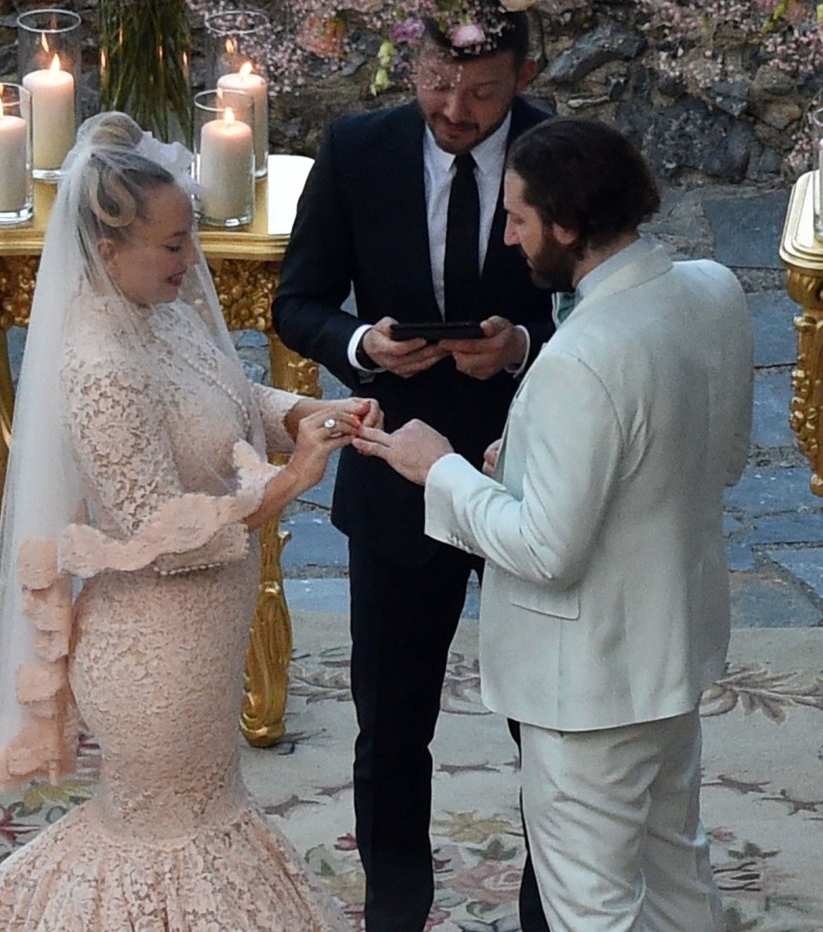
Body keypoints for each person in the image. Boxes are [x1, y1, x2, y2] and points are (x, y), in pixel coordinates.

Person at [0, 111, 380, 931]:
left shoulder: (162, 314)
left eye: (190, 239)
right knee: (169, 846)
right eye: (173, 245)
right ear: (108, 252)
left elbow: (229, 401)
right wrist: (293, 481)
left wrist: (305, 414)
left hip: (201, 640)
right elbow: (159, 538)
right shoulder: (102, 368)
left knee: (198, 833)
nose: (192, 261)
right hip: (153, 656)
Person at [353, 116, 754, 931]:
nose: (507, 238)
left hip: (586, 687)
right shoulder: (714, 288)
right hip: (670, 650)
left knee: (590, 909)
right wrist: (534, 458)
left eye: (520, 219)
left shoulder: (580, 356)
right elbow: (717, 456)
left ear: (567, 226)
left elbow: (545, 549)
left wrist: (443, 469)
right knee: (678, 878)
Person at [272, 4, 555, 929]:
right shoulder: (357, 148)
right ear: (412, 64)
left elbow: (599, 306)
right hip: (395, 471)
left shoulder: (562, 151)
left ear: (522, 76)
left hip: (532, 473)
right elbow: (298, 301)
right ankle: (395, 906)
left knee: (547, 727)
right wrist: (361, 342)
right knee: (391, 727)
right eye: (438, 83)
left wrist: (519, 346)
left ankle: (550, 904)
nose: (455, 107)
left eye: (480, 92)